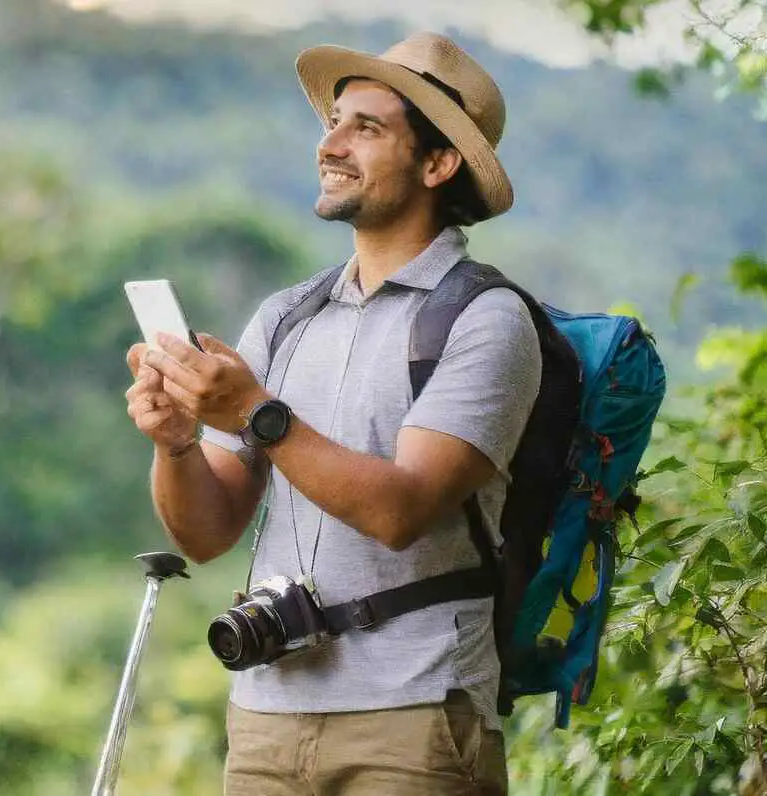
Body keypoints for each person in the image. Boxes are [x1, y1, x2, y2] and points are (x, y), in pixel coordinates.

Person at [124, 31, 540, 796]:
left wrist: (253, 408)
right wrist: (179, 444)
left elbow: (401, 510)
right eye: (335, 121)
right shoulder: (285, 318)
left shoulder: (486, 319)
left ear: (437, 163)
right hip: (266, 712)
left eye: (366, 128)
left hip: (414, 713)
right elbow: (207, 530)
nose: (332, 143)